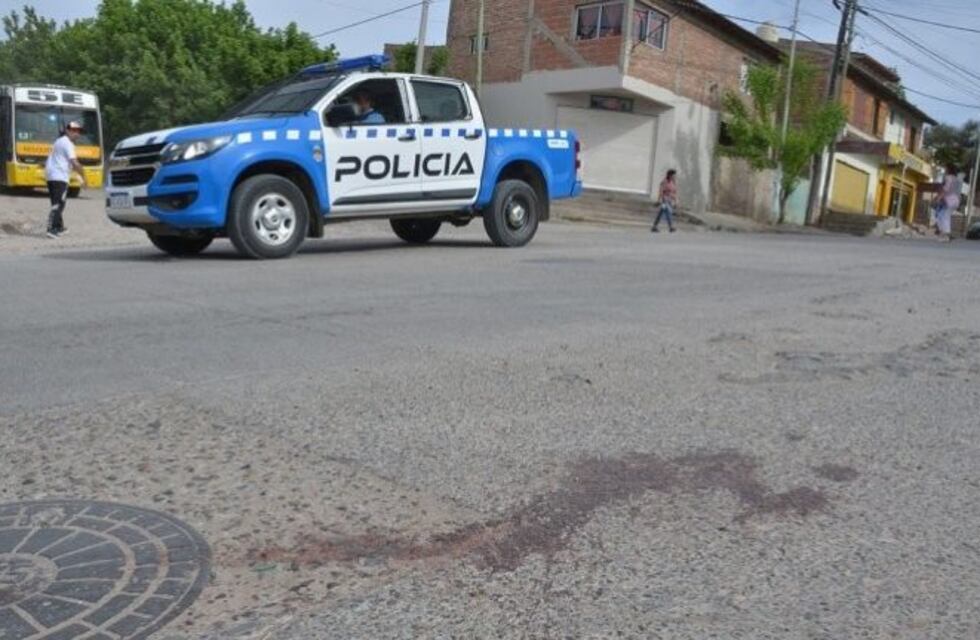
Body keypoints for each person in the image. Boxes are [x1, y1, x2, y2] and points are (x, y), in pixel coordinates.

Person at [44, 121, 87, 238]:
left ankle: (59, 227)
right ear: (67, 130)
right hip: (59, 177)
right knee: (58, 204)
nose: (76, 134)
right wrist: (83, 176)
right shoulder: (67, 143)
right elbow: (74, 163)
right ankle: (51, 229)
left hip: (52, 176)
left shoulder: (59, 141)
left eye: (78, 131)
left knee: (58, 202)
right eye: (74, 131)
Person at [936, 165, 962, 242]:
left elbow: (946, 189)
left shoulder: (948, 177)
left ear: (948, 170)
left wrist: (939, 197)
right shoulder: (957, 179)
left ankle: (945, 234)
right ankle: (945, 233)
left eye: (946, 169)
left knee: (943, 216)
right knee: (945, 215)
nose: (945, 170)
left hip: (949, 199)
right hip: (956, 200)